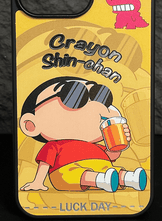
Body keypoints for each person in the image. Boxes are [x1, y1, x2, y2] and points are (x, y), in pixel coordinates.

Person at [19, 76, 147, 193]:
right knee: (74, 175)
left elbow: (111, 155)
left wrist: (118, 144)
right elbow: (45, 162)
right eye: (73, 96)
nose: (97, 106)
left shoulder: (94, 146)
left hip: (102, 167)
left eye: (101, 95)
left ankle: (130, 179)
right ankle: (101, 180)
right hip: (66, 170)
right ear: (30, 125)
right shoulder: (55, 146)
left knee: (113, 171)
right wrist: (38, 182)